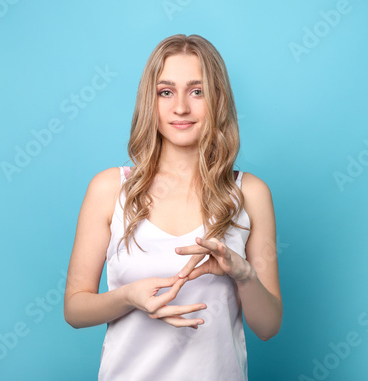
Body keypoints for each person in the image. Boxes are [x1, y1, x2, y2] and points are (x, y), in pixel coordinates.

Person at [64, 34, 282, 381]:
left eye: (197, 91)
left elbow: (268, 326)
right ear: (150, 101)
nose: (181, 107)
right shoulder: (109, 189)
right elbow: (75, 309)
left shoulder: (250, 193)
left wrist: (243, 274)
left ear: (218, 99)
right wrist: (128, 298)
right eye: (166, 92)